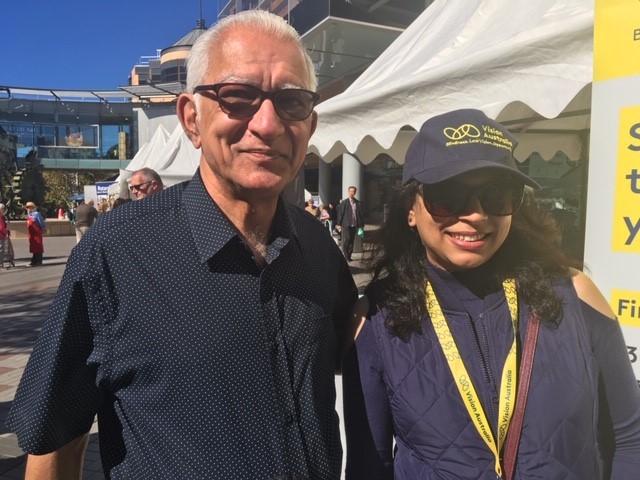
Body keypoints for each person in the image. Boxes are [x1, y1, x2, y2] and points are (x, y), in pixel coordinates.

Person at [8, 10, 357, 480]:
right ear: (191, 119)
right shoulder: (115, 253)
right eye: (238, 97)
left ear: (309, 126)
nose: (268, 123)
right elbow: (55, 444)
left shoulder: (317, 247)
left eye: (291, 102)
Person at [342, 109, 640, 479]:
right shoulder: (375, 319)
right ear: (410, 210)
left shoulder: (575, 295)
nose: (477, 214)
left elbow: (630, 438)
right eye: (448, 195)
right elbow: (369, 466)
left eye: (497, 195)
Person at [336, 186, 364, 261]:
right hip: (346, 224)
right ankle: (345, 254)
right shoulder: (344, 202)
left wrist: (361, 225)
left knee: (352, 240)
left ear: (355, 192)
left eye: (353, 191)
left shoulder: (358, 203)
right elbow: (340, 213)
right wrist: (338, 223)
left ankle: (349, 255)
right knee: (347, 239)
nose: (351, 193)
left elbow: (360, 214)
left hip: (354, 224)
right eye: (350, 191)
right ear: (348, 192)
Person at [24, 201, 45, 267]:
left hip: (37, 233)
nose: (28, 209)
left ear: (33, 208)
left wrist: (43, 228)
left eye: (30, 207)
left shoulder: (36, 214)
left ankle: (38, 261)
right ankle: (34, 260)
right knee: (33, 247)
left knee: (38, 246)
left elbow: (41, 222)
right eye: (27, 208)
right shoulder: (28, 215)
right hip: (31, 234)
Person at [0, 203, 10, 269]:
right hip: (1, 235)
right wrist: (6, 232)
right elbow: (1, 227)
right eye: (2, 209)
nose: (3, 210)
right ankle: (0, 264)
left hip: (2, 235)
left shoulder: (2, 217)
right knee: (1, 249)